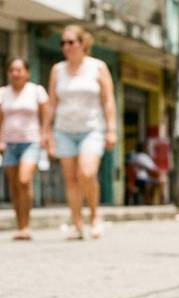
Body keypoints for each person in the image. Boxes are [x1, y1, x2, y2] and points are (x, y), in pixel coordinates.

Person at [48, 25, 116, 240]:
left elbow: (108, 100)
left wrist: (111, 129)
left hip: (92, 129)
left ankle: (95, 216)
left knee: (86, 174)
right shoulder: (57, 70)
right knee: (71, 180)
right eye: (63, 43)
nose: (66, 46)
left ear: (83, 44)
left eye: (70, 42)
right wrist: (46, 132)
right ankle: (77, 224)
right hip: (64, 130)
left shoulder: (98, 67)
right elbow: (52, 103)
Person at [0, 58, 51, 240]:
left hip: (31, 142)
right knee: (14, 187)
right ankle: (20, 225)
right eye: (12, 70)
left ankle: (27, 224)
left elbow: (46, 114)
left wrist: (45, 135)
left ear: (27, 73)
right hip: (9, 143)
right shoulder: (3, 93)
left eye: (19, 70)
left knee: (24, 181)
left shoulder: (36, 91)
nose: (15, 73)